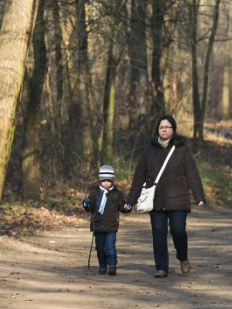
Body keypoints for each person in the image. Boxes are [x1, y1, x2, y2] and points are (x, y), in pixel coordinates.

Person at [125, 115, 206, 278]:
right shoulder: (149, 150)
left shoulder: (182, 149)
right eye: (161, 127)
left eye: (167, 127)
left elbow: (193, 174)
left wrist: (199, 196)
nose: (164, 129)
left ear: (173, 130)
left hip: (178, 199)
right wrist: (130, 201)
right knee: (158, 233)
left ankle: (182, 257)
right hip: (156, 200)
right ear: (157, 130)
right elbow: (139, 176)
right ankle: (161, 267)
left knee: (178, 231)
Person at [82, 165, 130, 276]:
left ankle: (112, 265)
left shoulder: (117, 194)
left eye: (109, 181)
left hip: (111, 226)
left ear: (112, 181)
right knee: (100, 248)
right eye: (104, 181)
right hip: (98, 225)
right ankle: (102, 266)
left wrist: (127, 207)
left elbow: (122, 207)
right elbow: (91, 207)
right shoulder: (95, 193)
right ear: (100, 181)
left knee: (110, 246)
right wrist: (86, 204)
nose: (106, 183)